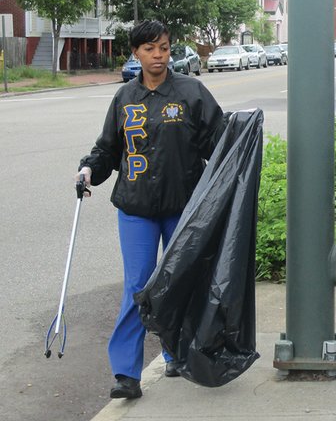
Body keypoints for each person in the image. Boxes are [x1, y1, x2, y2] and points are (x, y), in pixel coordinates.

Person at [75, 20, 226, 399]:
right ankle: (127, 373)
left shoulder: (191, 92)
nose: (158, 55)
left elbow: (221, 143)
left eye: (163, 48)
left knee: (178, 283)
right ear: (136, 53)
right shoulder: (125, 97)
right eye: (149, 49)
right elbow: (108, 148)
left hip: (183, 208)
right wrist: (89, 170)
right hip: (136, 208)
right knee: (138, 286)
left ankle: (176, 353)